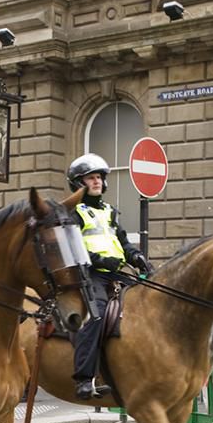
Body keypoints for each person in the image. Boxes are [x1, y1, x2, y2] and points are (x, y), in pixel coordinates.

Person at [65, 153, 152, 400]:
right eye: (90, 178)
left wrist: (136, 256)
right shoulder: (74, 212)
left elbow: (123, 242)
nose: (97, 182)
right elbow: (73, 249)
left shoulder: (110, 212)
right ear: (78, 183)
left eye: (99, 178)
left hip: (118, 272)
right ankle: (84, 378)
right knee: (96, 315)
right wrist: (101, 261)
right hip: (90, 274)